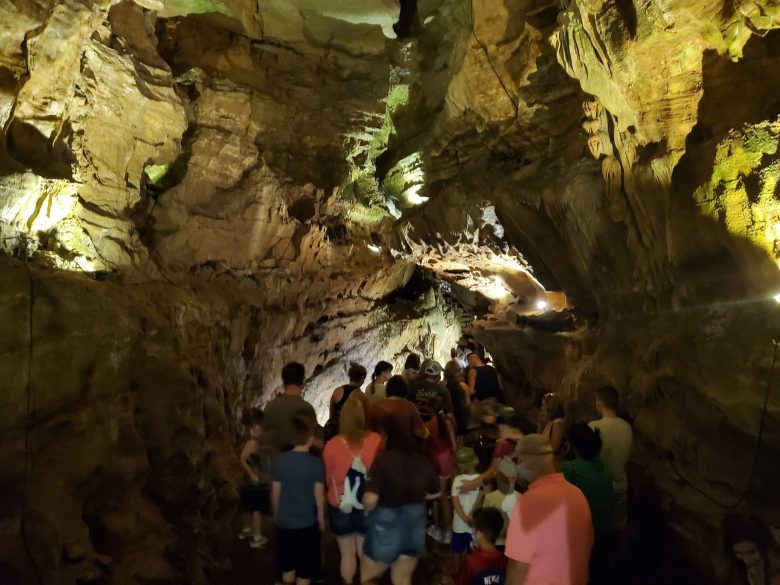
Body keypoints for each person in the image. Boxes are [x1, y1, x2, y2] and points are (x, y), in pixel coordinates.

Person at [361, 417, 441, 585]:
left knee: (369, 579)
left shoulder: (383, 460)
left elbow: (370, 498)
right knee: (402, 579)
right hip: (415, 523)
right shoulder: (424, 461)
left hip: (386, 522)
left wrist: (367, 510)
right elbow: (435, 493)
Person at [505, 434, 593, 585]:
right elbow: (588, 544)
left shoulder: (528, 503)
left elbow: (518, 570)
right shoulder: (578, 495)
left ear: (529, 461)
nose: (517, 466)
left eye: (518, 460)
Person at [323, 395, 383, 585]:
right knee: (365, 552)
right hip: (368, 504)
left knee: (346, 554)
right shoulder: (375, 440)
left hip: (340, 505)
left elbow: (327, 478)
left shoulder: (332, 445)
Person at [271, 415, 325, 585]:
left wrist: (276, 513)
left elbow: (275, 493)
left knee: (287, 567)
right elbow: (319, 496)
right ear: (310, 439)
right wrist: (321, 518)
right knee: (305, 569)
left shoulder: (280, 461)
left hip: (284, 523)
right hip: (306, 523)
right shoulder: (316, 463)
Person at [562, 423, 613, 585]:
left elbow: (563, 502)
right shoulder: (604, 466)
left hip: (582, 532)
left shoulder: (571, 468)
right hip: (604, 529)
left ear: (573, 444)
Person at [589, 386, 632, 531]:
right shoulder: (627, 427)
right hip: (621, 486)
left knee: (598, 529)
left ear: (600, 402)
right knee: (619, 529)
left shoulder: (594, 427)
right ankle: (620, 554)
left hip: (600, 488)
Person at [459, 409, 526, 494]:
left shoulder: (505, 445)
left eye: (499, 429)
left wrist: (471, 484)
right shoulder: (526, 439)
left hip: (512, 492)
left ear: (503, 426)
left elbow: (493, 472)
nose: (499, 433)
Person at [422, 396, 457, 543]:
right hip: (447, 459)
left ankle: (439, 529)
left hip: (435, 462)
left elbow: (424, 448)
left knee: (438, 497)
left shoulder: (428, 426)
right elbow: (454, 446)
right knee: (444, 496)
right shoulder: (448, 423)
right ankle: (448, 530)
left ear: (430, 409)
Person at [264, 362, 318, 455]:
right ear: (302, 381)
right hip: (297, 463)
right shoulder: (306, 408)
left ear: (284, 382)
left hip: (273, 463)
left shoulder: (269, 407)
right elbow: (311, 441)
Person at [238, 408, 272, 548]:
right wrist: (252, 474)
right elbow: (242, 459)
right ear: (254, 427)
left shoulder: (253, 441)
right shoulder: (252, 442)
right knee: (257, 508)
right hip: (255, 480)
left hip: (250, 479)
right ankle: (257, 537)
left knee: (247, 505)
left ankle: (246, 530)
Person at [722, 513, 780, 585]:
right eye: (738, 552)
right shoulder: (735, 568)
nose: (747, 561)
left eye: (751, 552)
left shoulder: (775, 569)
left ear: (763, 544)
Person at [455, 507, 508, 585]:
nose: (473, 532)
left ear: (479, 534)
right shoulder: (504, 560)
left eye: (473, 529)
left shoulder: (471, 561)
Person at [370, 374, 429, 440]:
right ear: (405, 389)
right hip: (402, 447)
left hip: (379, 446)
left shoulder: (376, 406)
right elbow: (422, 433)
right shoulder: (409, 406)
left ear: (388, 388)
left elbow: (370, 431)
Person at [451, 447, 483, 565]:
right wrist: (471, 519)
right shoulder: (481, 479)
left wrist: (465, 518)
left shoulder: (458, 480)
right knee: (473, 552)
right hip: (475, 523)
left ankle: (457, 573)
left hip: (459, 523)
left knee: (456, 550)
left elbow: (456, 503)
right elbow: (481, 501)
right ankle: (469, 574)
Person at [482, 458, 520, 550]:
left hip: (496, 542)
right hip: (515, 543)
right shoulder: (521, 497)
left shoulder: (490, 498)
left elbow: (485, 523)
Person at [324, 363, 368, 443]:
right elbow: (364, 421)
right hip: (348, 436)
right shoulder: (361, 396)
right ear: (362, 378)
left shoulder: (337, 390)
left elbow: (331, 414)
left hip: (333, 433)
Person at [537, 393, 567, 464]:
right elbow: (538, 439)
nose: (542, 408)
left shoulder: (558, 423)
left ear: (551, 407)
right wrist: (540, 422)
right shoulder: (550, 424)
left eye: (544, 405)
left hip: (556, 463)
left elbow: (554, 448)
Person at [444, 359, 471, 438]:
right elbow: (467, 404)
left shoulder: (443, 385)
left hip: (448, 418)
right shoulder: (463, 386)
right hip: (460, 417)